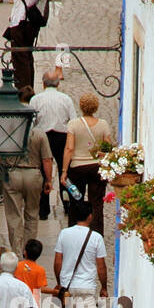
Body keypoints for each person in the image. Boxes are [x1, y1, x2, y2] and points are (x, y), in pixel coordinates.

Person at [0, 114, 52, 259]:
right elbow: (47, 160)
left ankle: (17, 252)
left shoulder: (8, 133)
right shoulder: (39, 134)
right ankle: (29, 252)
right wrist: (48, 180)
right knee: (32, 214)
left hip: (12, 173)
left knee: (14, 216)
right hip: (33, 174)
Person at [54, 201, 108, 308]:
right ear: (90, 216)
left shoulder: (64, 234)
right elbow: (101, 267)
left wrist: (60, 283)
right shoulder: (96, 237)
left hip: (68, 287)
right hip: (87, 286)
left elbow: (58, 262)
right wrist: (104, 287)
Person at [62, 90, 112, 234]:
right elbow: (107, 148)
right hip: (97, 168)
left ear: (81, 106)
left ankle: (73, 231)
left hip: (77, 168)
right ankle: (96, 234)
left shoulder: (73, 124)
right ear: (96, 107)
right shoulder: (103, 124)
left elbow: (69, 148)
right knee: (97, 203)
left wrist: (64, 171)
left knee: (75, 200)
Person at [30, 70, 76, 218]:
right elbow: (73, 121)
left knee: (42, 172)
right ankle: (68, 203)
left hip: (42, 136)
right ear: (58, 84)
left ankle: (43, 210)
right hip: (62, 137)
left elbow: (31, 123)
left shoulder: (36, 99)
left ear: (43, 83)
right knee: (65, 170)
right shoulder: (66, 99)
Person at [4, 0, 48, 92]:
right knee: (25, 58)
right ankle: (26, 89)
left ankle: (23, 91)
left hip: (21, 27)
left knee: (21, 60)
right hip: (22, 26)